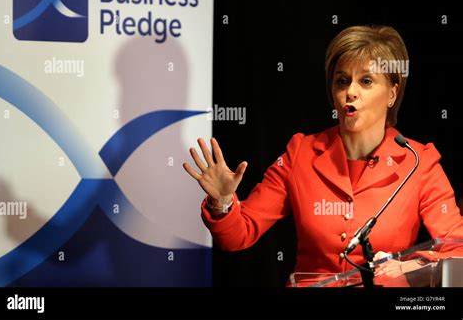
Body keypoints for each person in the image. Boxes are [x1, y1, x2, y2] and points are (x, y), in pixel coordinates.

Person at [182, 25, 463, 287]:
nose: (350, 92)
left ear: (392, 93)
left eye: (366, 81)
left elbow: (457, 247)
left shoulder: (418, 161)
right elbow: (239, 235)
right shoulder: (300, 153)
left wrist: (407, 265)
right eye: (342, 81)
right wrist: (222, 203)